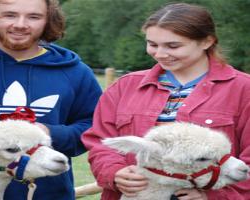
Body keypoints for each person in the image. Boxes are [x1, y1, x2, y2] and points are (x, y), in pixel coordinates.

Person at [82, 3, 250, 200]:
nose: (160, 54)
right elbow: (101, 142)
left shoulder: (243, 89)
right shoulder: (125, 86)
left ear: (207, 41)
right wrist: (114, 172)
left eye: (173, 46)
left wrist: (214, 196)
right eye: (153, 44)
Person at [0, 0, 102, 199]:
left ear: (48, 20)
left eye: (34, 17)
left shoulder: (75, 73)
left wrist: (48, 131)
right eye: (10, 15)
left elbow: (95, 128)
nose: (21, 24)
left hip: (48, 193)